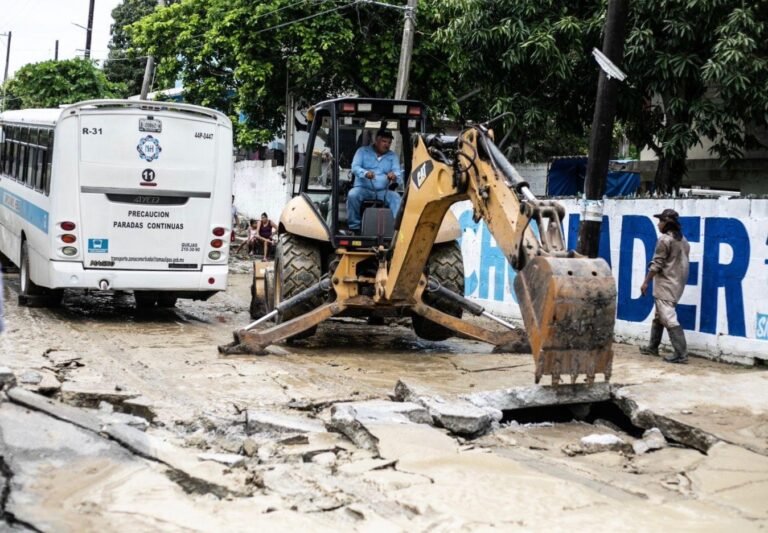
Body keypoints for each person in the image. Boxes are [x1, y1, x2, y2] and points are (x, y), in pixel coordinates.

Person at [639, 208, 691, 363]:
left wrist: (646, 281)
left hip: (666, 284)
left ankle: (681, 354)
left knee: (668, 317)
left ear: (667, 223)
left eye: (660, 221)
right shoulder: (683, 240)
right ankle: (652, 347)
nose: (658, 224)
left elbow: (657, 264)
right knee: (659, 316)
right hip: (677, 283)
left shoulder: (664, 240)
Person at [347, 128, 403, 233]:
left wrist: (394, 176)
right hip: (363, 189)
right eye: (384, 141)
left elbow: (398, 174)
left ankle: (397, 229)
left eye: (389, 142)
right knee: (352, 195)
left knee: (396, 197)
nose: (387, 145)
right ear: (376, 140)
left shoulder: (392, 156)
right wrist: (365, 173)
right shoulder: (362, 151)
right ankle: (354, 227)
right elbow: (355, 167)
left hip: (383, 191)